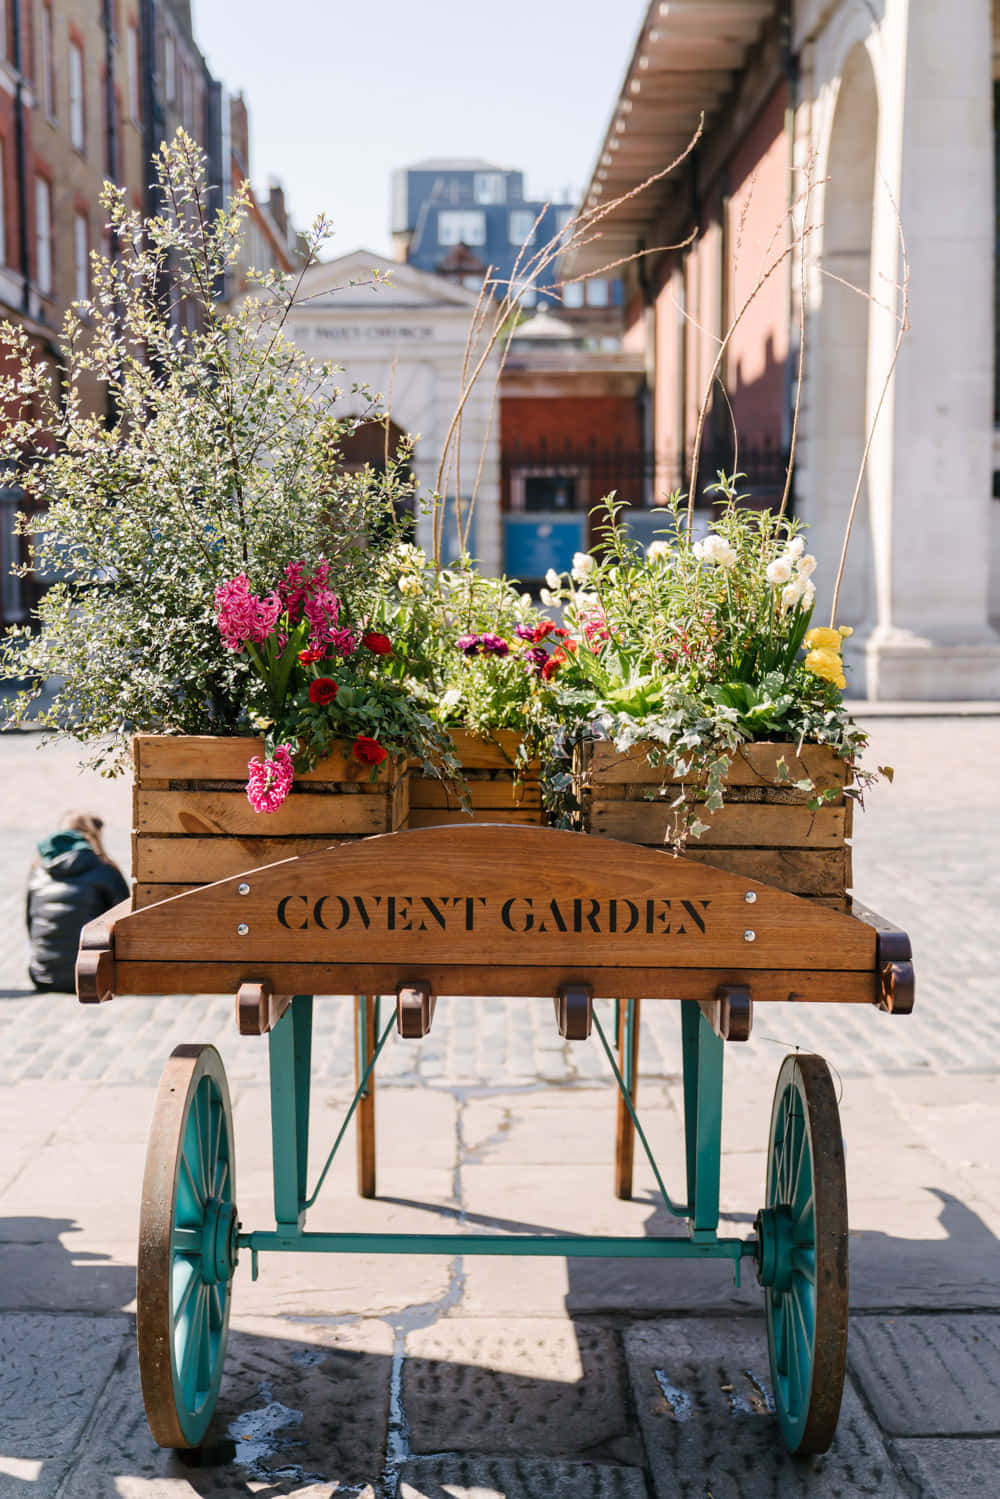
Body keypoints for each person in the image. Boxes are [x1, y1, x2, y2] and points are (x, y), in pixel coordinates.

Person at [26, 812, 130, 993]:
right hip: (93, 974)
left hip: (43, 975)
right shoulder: (104, 869)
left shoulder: (38, 870)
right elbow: (126, 924)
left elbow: (30, 923)